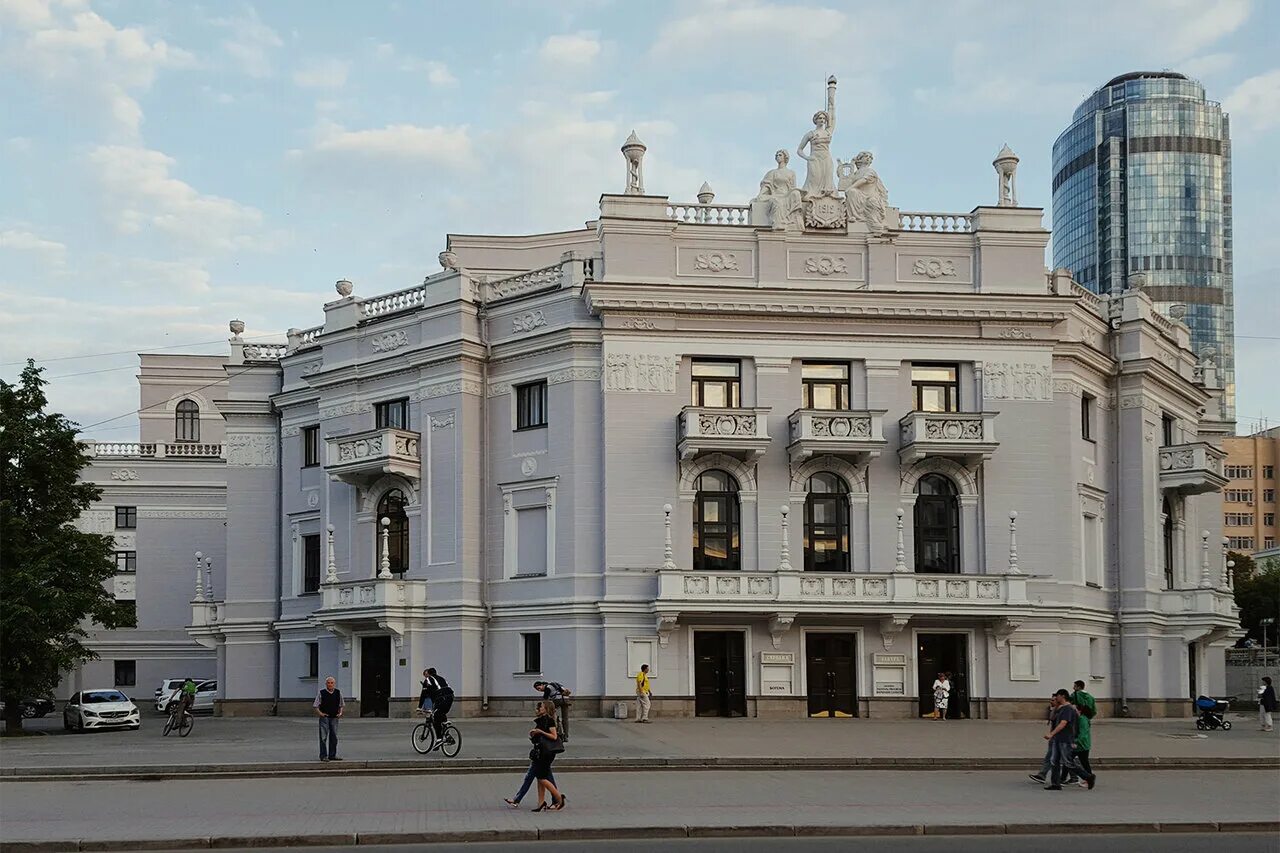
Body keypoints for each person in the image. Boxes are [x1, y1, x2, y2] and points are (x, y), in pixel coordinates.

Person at [1043, 688, 1095, 791]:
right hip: (1058, 739)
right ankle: (1056, 783)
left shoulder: (1068, 709)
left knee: (1068, 762)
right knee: (1054, 760)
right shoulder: (1061, 708)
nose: (1055, 698)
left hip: (1065, 739)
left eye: (1057, 696)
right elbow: (1052, 718)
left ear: (1062, 696)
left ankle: (1088, 777)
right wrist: (1056, 706)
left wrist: (1051, 734)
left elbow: (1063, 723)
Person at [527, 700, 566, 811]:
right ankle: (541, 803)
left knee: (541, 778)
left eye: (542, 706)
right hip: (540, 751)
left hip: (547, 752)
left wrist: (540, 732)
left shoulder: (549, 720)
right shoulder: (541, 720)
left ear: (547, 709)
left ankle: (559, 798)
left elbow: (554, 736)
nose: (539, 708)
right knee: (540, 778)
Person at [313, 676, 343, 762]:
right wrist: (320, 714)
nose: (330, 684)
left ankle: (332, 755)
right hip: (325, 718)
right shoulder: (321, 693)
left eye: (332, 683)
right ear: (326, 684)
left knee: (334, 737)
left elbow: (341, 704)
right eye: (328, 683)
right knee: (323, 737)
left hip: (334, 717)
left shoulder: (338, 693)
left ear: (334, 684)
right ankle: (323, 756)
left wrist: (340, 713)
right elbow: (315, 705)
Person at [422, 668, 454, 740]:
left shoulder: (428, 679)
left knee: (435, 717)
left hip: (442, 697)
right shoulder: (442, 678)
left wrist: (419, 707)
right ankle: (447, 735)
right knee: (442, 713)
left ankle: (439, 739)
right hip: (450, 697)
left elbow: (424, 695)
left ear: (429, 674)